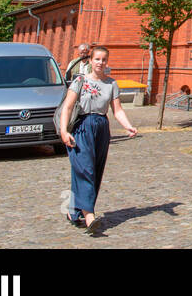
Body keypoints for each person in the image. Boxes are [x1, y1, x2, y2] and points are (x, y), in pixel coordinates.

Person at [58, 45, 138, 233]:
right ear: (90, 61)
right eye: (97, 59)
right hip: (82, 127)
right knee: (85, 169)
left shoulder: (111, 84)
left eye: (103, 59)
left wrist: (128, 126)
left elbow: (117, 110)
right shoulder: (80, 81)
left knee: (95, 170)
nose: (100, 63)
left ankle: (74, 210)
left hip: (101, 128)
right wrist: (63, 131)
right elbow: (67, 108)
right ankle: (89, 216)